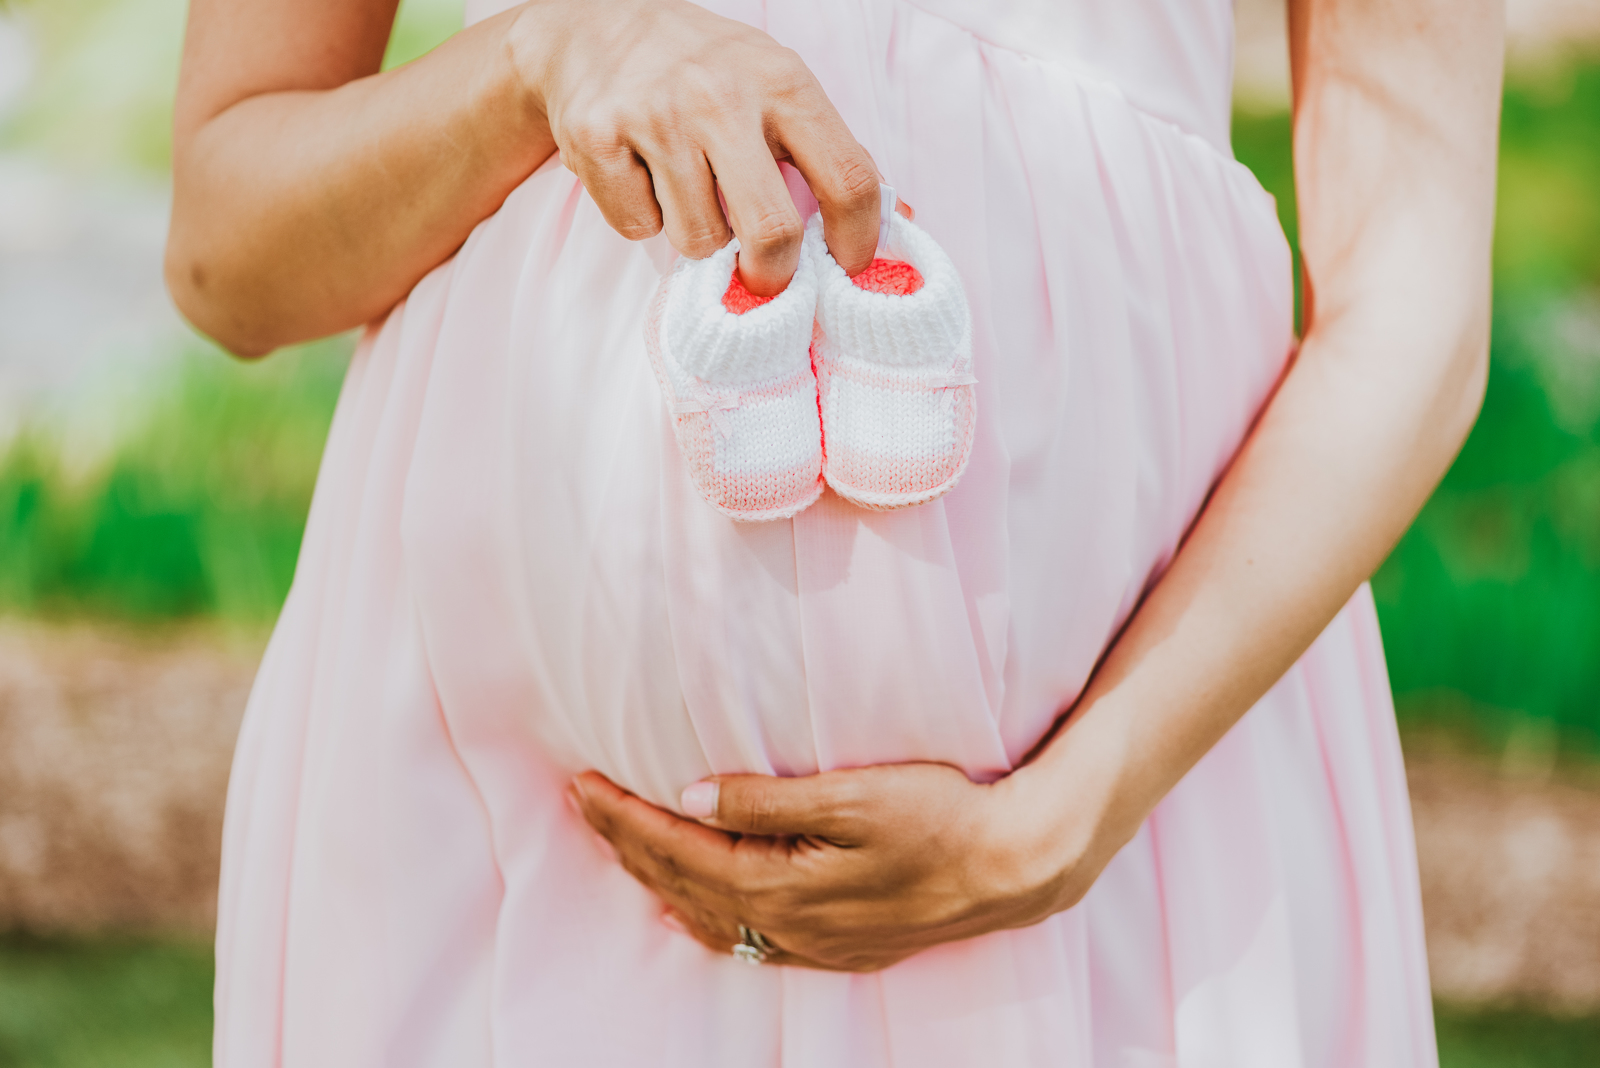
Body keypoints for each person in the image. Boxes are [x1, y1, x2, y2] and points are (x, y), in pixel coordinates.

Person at [166, 0, 1503, 1064]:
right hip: (502, 854)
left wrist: (1063, 821)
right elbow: (232, 250)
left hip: (1130, 850)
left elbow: (1415, 310)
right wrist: (543, 57)